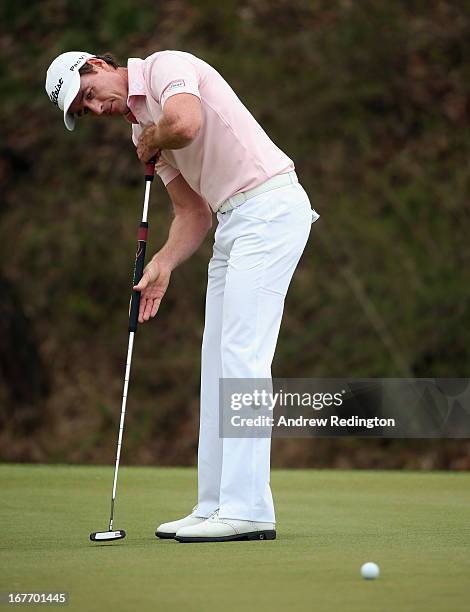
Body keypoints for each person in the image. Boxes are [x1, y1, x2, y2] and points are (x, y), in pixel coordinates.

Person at [45, 50, 320, 543]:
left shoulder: (164, 68)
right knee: (216, 360)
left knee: (243, 356)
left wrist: (152, 138)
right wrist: (164, 264)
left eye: (89, 95)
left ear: (100, 64)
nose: (96, 109)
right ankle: (214, 503)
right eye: (85, 112)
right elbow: (193, 214)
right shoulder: (142, 132)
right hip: (233, 222)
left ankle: (249, 508)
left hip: (270, 206)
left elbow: (186, 123)